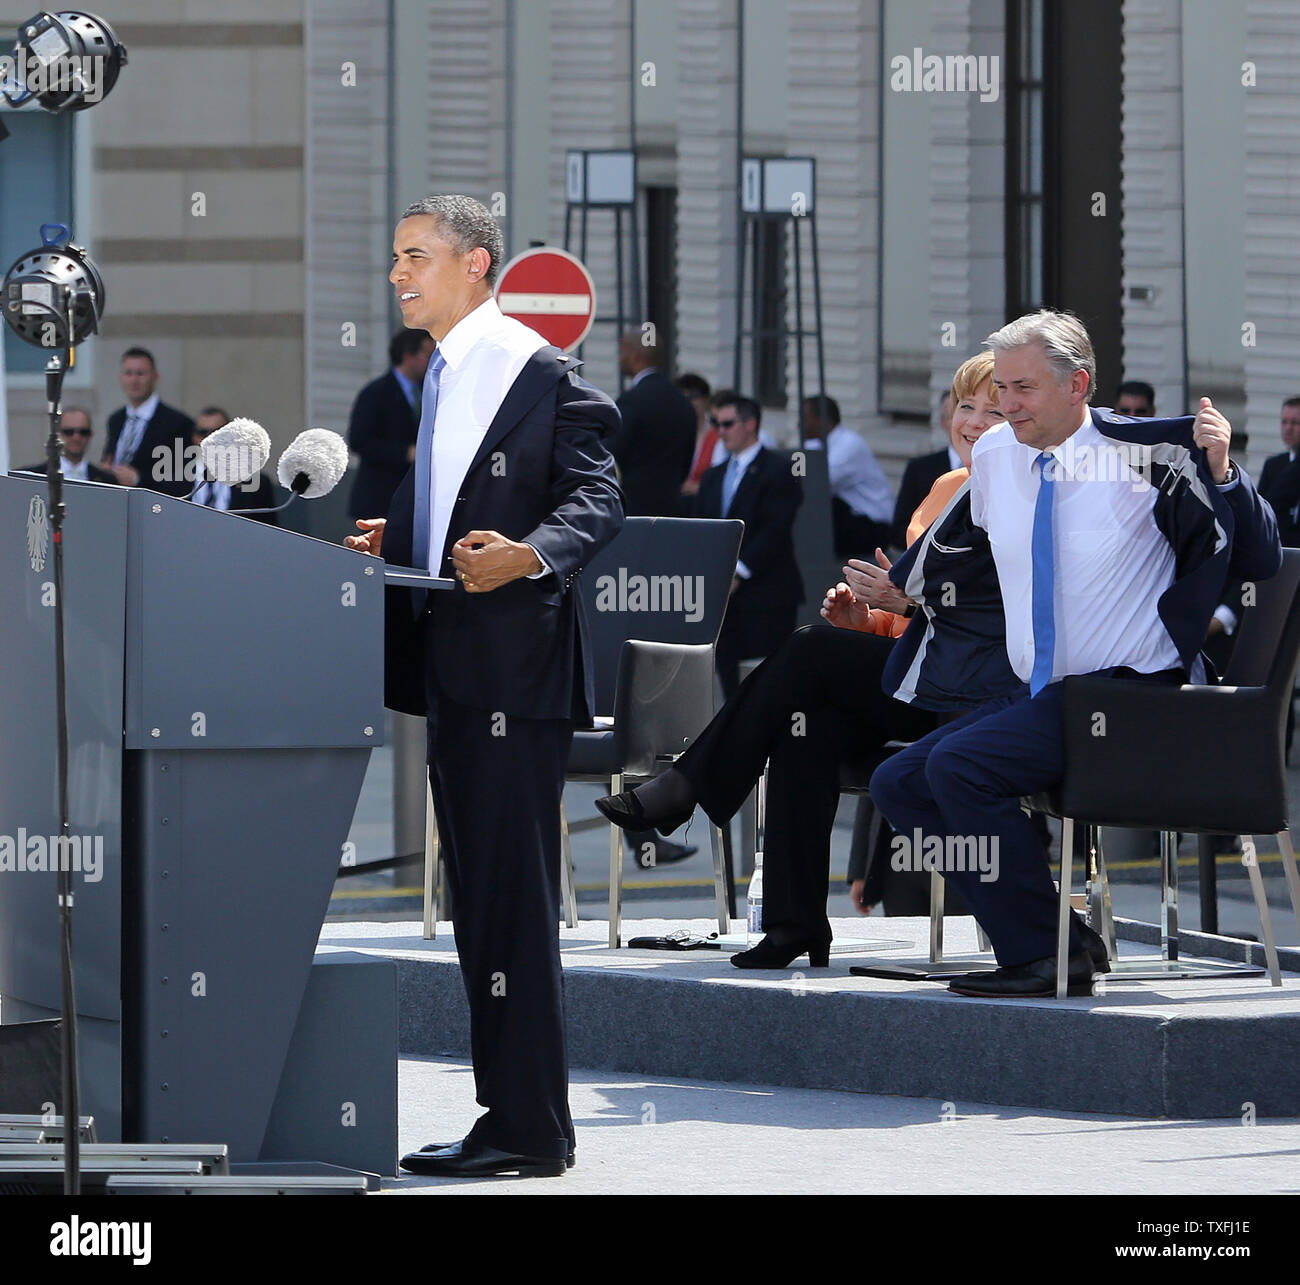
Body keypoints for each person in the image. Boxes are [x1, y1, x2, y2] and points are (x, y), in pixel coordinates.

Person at [868, 310, 1281, 999]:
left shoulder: (1150, 455)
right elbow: (960, 561)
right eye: (1001, 387)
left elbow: (1260, 560)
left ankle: (1038, 955)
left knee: (959, 767)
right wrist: (901, 593)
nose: (1006, 404)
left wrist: (1224, 470)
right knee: (899, 783)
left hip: (1131, 696)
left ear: (1078, 385)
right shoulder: (995, 455)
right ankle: (1058, 935)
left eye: (1024, 387)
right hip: (1043, 693)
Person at [345, 194, 622, 1179]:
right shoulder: (444, 370)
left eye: (415, 255)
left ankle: (528, 1128)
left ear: (475, 264)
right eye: (395, 255)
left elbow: (597, 497)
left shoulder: (532, 367)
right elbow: (468, 491)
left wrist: (530, 555)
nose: (397, 274)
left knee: (508, 906)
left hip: (513, 675)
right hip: (458, 670)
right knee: (482, 904)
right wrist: (405, 537)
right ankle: (512, 1117)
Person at [597, 354, 1033, 967]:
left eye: (994, 411)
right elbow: (913, 622)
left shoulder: (1021, 492)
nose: (974, 422)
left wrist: (908, 600)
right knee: (806, 724)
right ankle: (793, 923)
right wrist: (869, 620)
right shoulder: (944, 488)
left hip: (979, 690)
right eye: (966, 406)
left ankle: (687, 784)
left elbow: (999, 610)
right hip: (922, 673)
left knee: (807, 649)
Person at [693, 392, 803, 698]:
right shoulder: (713, 476)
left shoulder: (779, 470)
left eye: (727, 424)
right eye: (715, 423)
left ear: (750, 424)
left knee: (766, 682)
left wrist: (738, 571)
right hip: (723, 599)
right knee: (730, 681)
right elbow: (703, 529)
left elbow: (775, 529)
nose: (720, 431)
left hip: (766, 596)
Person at [347, 328, 436, 519]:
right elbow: (359, 441)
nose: (431, 362)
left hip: (416, 497)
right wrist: (405, 452)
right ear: (408, 356)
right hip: (380, 496)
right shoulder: (376, 392)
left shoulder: (430, 390)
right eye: (427, 355)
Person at [608, 330, 696, 516]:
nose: (619, 359)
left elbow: (611, 456)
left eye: (622, 352)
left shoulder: (631, 401)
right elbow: (686, 461)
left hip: (634, 510)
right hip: (672, 509)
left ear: (635, 356)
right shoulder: (682, 402)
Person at [801, 393, 895, 559]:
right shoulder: (815, 444)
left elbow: (817, 483)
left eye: (805, 418)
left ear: (823, 420)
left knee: (820, 511)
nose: (799, 423)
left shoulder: (849, 444)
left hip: (874, 525)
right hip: (853, 517)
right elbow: (797, 477)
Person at [102, 347, 195, 497]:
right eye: (128, 373)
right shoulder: (116, 420)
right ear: (121, 377)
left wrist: (139, 479)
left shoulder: (177, 423)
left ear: (155, 377)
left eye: (140, 373)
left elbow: (183, 478)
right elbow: (109, 460)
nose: (134, 380)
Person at [890, 390, 960, 550]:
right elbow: (899, 531)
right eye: (953, 415)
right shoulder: (920, 469)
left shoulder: (997, 468)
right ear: (943, 422)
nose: (963, 423)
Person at [188, 407, 279, 524]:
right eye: (203, 433)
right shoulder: (173, 482)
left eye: (217, 433)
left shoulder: (258, 484)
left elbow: (268, 530)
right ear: (194, 437)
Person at [20, 407, 115, 483]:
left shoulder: (107, 481)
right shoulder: (32, 478)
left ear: (90, 435)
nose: (76, 438)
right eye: (69, 432)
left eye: (83, 432)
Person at [1257, 396, 1300, 546]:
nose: (1288, 428)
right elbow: (1261, 509)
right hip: (1277, 547)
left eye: (1295, 423)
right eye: (1284, 422)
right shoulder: (1273, 465)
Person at [677, 372, 724, 498]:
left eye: (694, 396)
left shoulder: (719, 434)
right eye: (682, 397)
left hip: (704, 500)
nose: (689, 402)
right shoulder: (671, 433)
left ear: (706, 400)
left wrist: (701, 487)